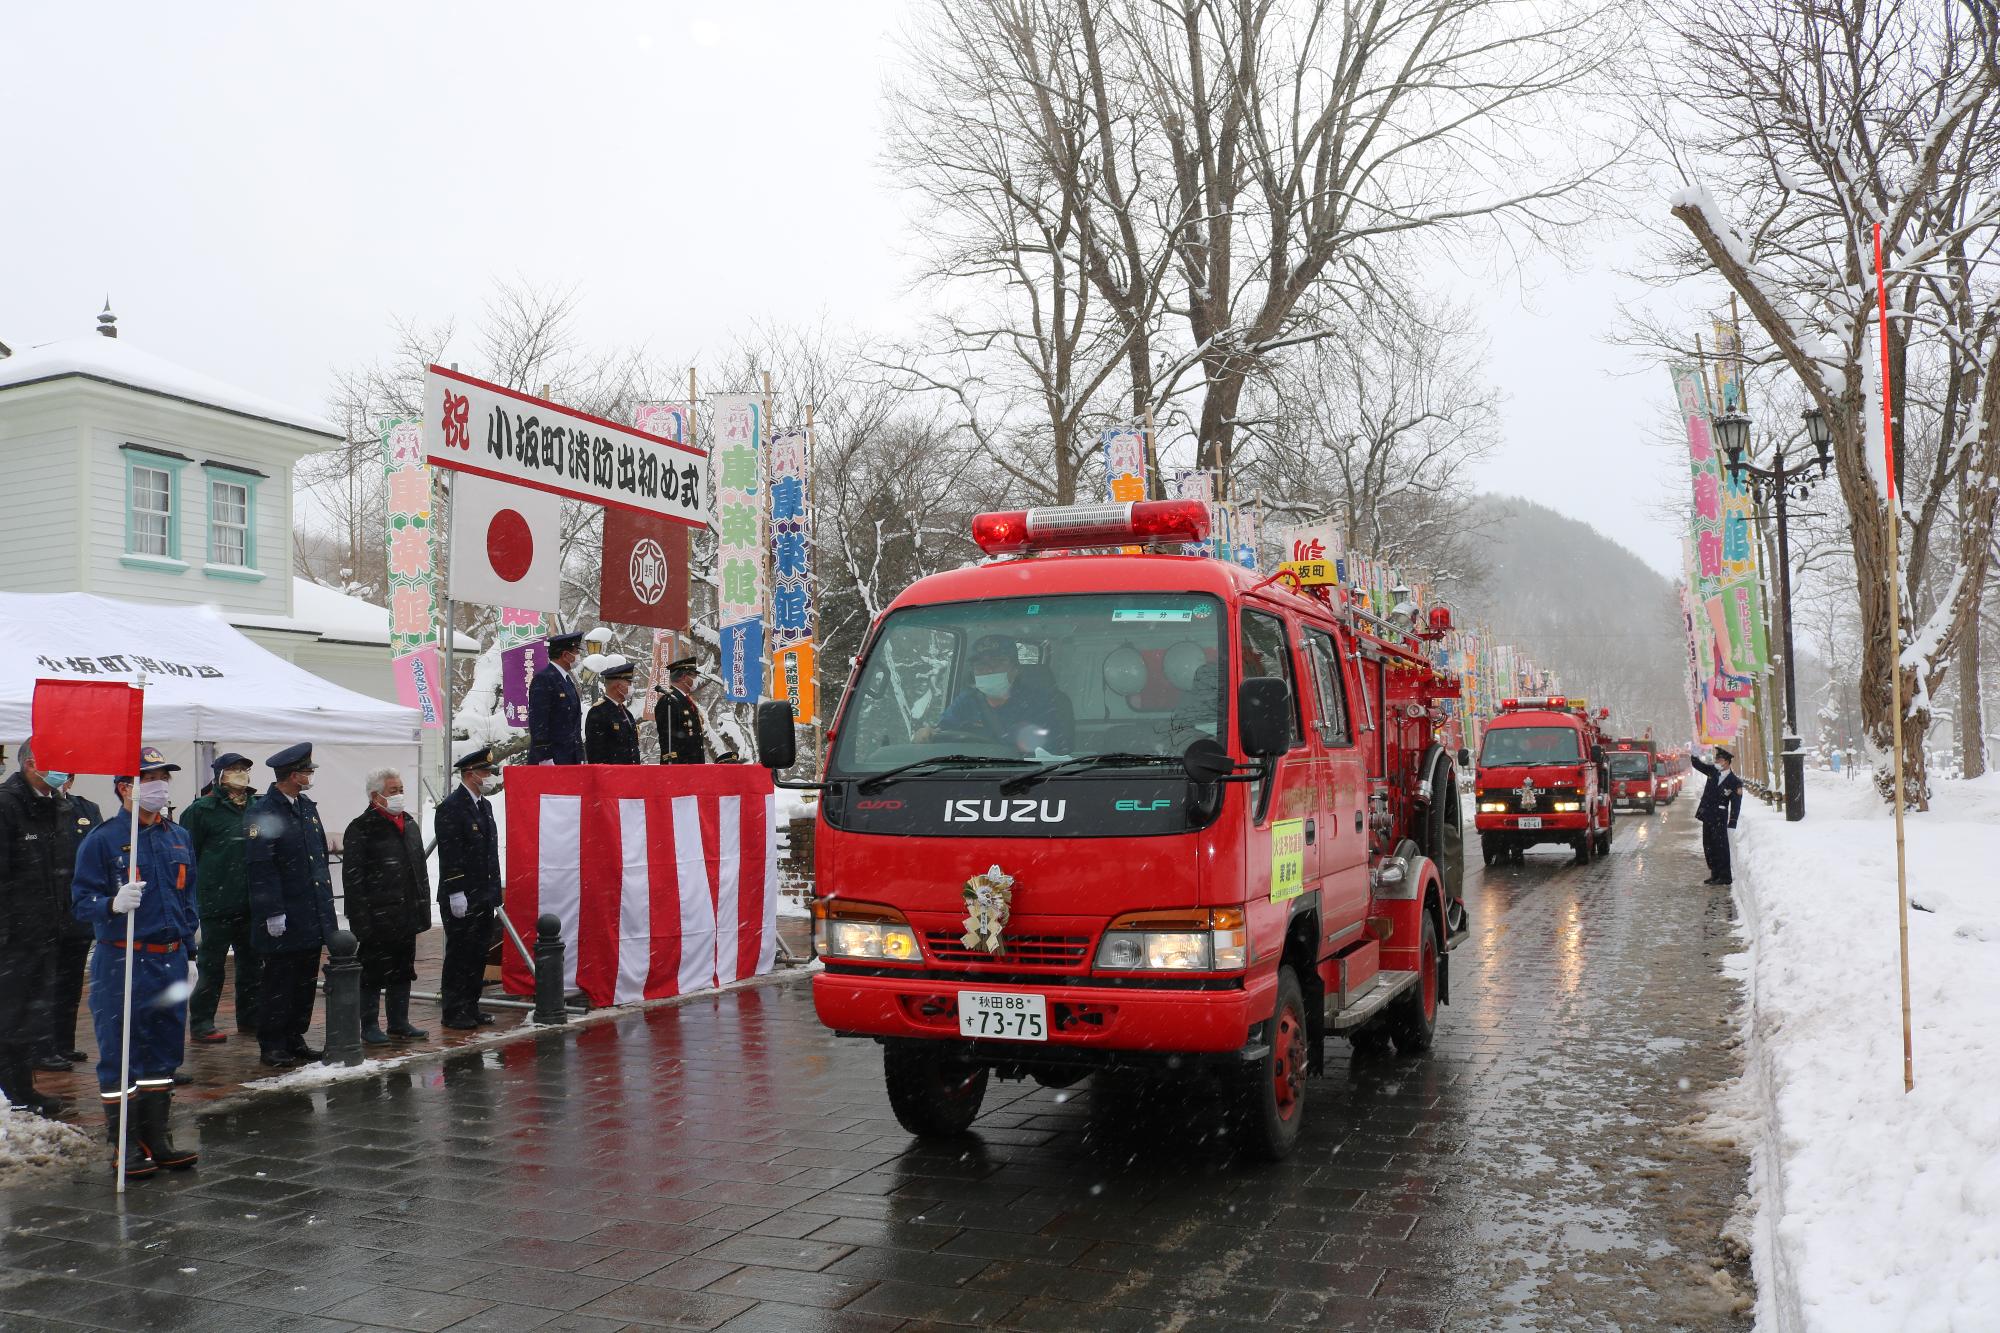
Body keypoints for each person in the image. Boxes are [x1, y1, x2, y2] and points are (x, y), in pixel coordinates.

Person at [71, 748, 199, 1176]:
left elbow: (187, 898)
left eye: (164, 777)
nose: (160, 786)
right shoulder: (102, 840)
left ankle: (156, 1137)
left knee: (163, 1052)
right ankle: (123, 1144)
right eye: (151, 779)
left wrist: (191, 952)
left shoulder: (177, 836)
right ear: (126, 788)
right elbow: (80, 903)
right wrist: (111, 903)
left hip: (171, 959)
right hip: (124, 960)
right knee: (120, 1051)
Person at [0, 742, 82, 1115]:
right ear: (33, 763)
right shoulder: (7, 804)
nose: (67, 769)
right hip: (14, 935)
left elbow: (61, 871)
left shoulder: (57, 806)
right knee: (12, 1015)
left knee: (34, 1013)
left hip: (48, 930)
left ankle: (22, 1089)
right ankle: (16, 1093)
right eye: (61, 760)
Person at [246, 743, 338, 1068]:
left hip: (309, 912)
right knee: (278, 982)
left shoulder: (305, 806)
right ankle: (272, 1042)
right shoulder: (264, 811)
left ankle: (294, 1035)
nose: (310, 776)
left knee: (304, 980)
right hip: (283, 913)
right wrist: (272, 910)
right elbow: (261, 864)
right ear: (293, 775)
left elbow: (317, 859)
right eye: (307, 771)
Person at [340, 768, 431, 1045]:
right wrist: (360, 920)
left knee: (403, 969)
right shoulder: (362, 827)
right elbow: (353, 879)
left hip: (406, 913)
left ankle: (398, 1022)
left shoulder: (409, 823)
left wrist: (421, 907)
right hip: (377, 915)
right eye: (393, 791)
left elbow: (419, 869)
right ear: (375, 796)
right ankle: (369, 1025)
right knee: (372, 973)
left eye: (401, 789)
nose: (399, 795)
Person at [180, 753, 260, 1043]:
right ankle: (202, 1022)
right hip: (216, 902)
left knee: (251, 965)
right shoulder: (202, 810)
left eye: (244, 769)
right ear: (219, 775)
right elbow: (188, 855)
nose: (240, 774)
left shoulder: (256, 806)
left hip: (250, 901)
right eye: (234, 770)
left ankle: (250, 1018)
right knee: (211, 966)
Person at [436, 748, 503, 1030]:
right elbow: (451, 853)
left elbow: (490, 853)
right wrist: (455, 890)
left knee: (478, 953)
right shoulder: (452, 807)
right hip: (463, 893)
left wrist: (494, 892)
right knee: (460, 954)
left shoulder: (483, 806)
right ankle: (454, 1010)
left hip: (483, 893)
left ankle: (471, 1006)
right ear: (470, 774)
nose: (489, 776)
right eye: (485, 772)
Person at [921, 636, 1075, 755]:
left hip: (1028, 779)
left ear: (1015, 670)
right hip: (973, 775)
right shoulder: (967, 700)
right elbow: (942, 734)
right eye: (981, 665)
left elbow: (1054, 752)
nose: (988, 670)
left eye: (998, 663)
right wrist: (926, 735)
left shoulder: (1041, 703)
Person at [40, 775, 102, 1072]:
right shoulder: (32, 807)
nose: (60, 778)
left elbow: (96, 855)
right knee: (43, 983)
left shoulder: (86, 809)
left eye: (66, 773)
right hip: (41, 912)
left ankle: (64, 1043)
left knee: (71, 981)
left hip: (75, 911)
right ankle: (42, 1046)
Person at [527, 631, 586, 765]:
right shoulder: (544, 679)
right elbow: (538, 721)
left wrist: (580, 755)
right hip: (553, 759)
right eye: (576, 651)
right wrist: (544, 757)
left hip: (569, 758)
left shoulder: (566, 679)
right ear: (565, 655)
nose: (578, 656)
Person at [1690, 746, 1744, 886]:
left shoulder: (1735, 782)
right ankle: (1714, 873)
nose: (1716, 761)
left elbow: (1736, 804)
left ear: (1726, 762)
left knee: (1721, 847)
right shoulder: (1712, 772)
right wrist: (1694, 755)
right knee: (1708, 846)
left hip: (1720, 818)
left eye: (1718, 759)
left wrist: (1732, 822)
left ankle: (1725, 876)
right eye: (1716, 758)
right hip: (1707, 815)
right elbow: (1697, 765)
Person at [585, 659, 643, 764]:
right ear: (618, 687)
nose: (632, 687)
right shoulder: (599, 712)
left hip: (630, 773)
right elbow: (595, 752)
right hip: (612, 774)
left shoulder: (626, 713)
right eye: (629, 683)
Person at [655, 658, 709, 764]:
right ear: (684, 677)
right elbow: (668, 739)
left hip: (693, 765)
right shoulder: (669, 701)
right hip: (680, 767)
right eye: (694, 675)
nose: (697, 679)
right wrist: (673, 767)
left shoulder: (684, 700)